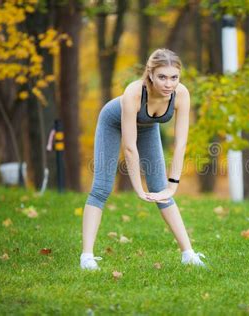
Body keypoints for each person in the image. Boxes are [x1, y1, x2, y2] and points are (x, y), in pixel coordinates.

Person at [80, 48, 206, 270]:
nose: (169, 84)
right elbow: (129, 148)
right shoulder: (134, 93)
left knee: (160, 189)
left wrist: (172, 186)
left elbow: (180, 144)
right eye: (162, 77)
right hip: (113, 122)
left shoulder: (182, 94)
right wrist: (138, 188)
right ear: (150, 74)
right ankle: (87, 257)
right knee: (101, 188)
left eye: (174, 77)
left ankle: (188, 253)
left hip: (148, 127)